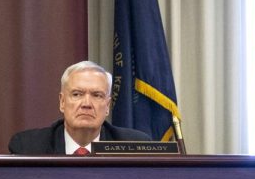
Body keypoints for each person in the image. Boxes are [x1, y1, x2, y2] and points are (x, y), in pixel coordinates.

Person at [8, 61, 151, 154]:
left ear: (107, 106)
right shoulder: (28, 147)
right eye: (77, 94)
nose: (86, 104)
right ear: (62, 102)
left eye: (97, 95)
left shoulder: (135, 147)